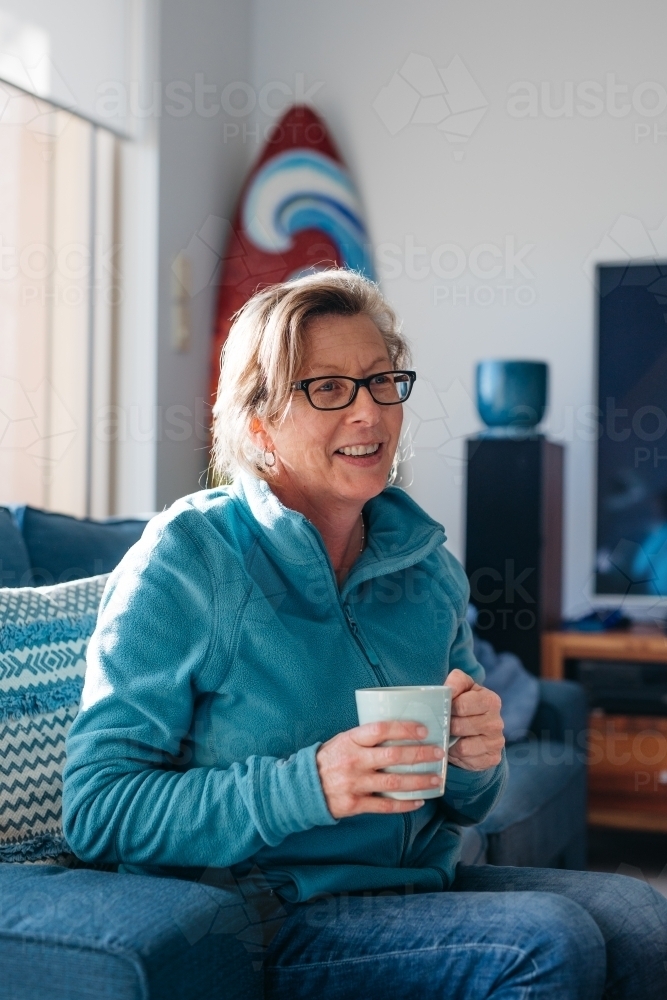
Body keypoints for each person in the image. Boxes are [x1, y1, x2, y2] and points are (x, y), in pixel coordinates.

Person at [63, 270, 667, 999]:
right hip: (265, 913)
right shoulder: (189, 559)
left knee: (638, 913)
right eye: (328, 388)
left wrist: (476, 759)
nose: (369, 413)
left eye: (382, 382)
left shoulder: (426, 568)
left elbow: (464, 803)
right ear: (258, 424)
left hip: (410, 887)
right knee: (545, 941)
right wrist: (308, 785)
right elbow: (98, 809)